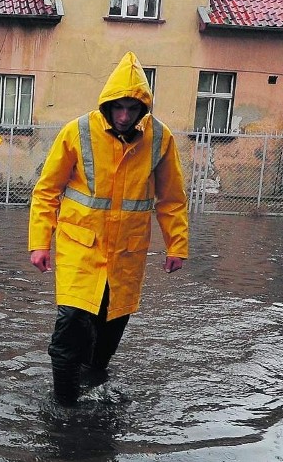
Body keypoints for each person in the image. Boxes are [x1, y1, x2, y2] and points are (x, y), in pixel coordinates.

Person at [28, 51, 189, 405]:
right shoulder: (77, 132)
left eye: (132, 109)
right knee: (71, 324)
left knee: (108, 333)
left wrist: (176, 245)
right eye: (118, 108)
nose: (123, 116)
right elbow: (47, 190)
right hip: (79, 248)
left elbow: (172, 198)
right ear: (106, 105)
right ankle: (65, 410)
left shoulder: (160, 139)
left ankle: (93, 386)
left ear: (143, 109)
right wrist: (40, 242)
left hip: (126, 255)